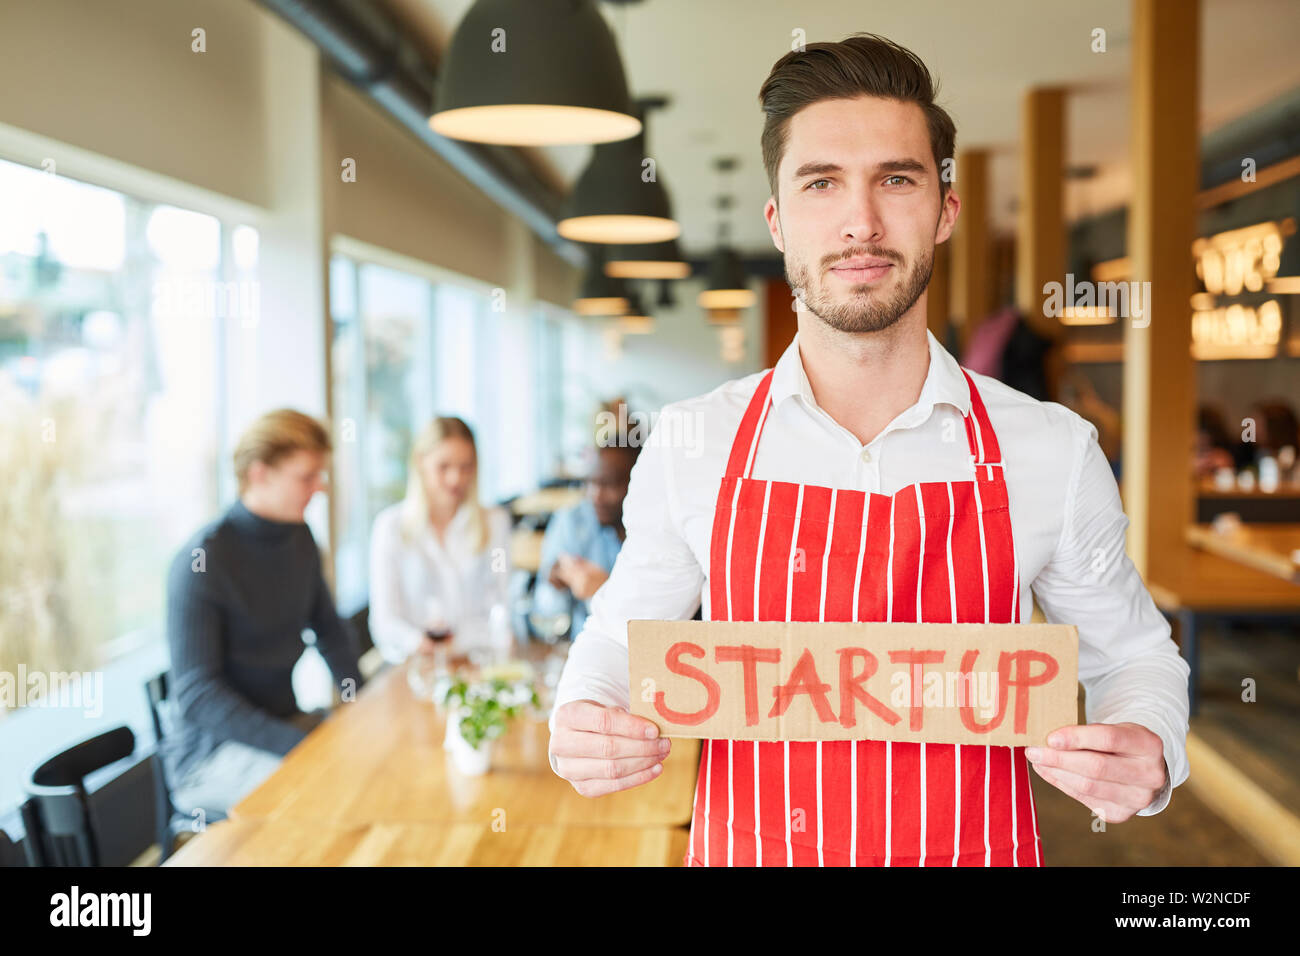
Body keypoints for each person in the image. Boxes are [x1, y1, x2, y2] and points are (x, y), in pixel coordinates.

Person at [547, 33, 1189, 868]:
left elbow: (1135, 654)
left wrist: (1147, 738)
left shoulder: (1052, 450)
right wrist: (582, 714)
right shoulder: (693, 443)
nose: (862, 222)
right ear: (778, 222)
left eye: (897, 178)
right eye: (822, 183)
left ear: (945, 210)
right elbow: (615, 639)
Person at [165, 409, 364, 818]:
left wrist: (357, 699)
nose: (319, 488)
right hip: (211, 756)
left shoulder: (300, 538)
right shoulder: (202, 560)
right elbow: (199, 695)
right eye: (307, 477)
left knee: (374, 765)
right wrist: (296, 745)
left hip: (284, 727)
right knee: (326, 801)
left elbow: (328, 629)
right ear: (260, 474)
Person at [368, 416, 513, 664]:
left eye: (466, 467)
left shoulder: (495, 522)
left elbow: (501, 609)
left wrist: (459, 642)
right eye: (443, 467)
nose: (456, 479)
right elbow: (384, 622)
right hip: (412, 666)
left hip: (474, 663)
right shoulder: (390, 527)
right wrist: (416, 641)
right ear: (420, 463)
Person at [532, 440, 641, 639]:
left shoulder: (655, 532)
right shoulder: (574, 522)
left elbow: (654, 617)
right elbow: (544, 614)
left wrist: (605, 590)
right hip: (585, 646)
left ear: (638, 484)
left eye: (609, 484)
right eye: (591, 483)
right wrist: (554, 585)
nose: (596, 496)